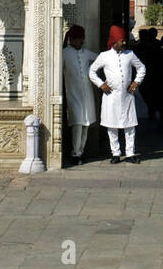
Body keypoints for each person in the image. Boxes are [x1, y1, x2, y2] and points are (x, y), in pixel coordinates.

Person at [89, 25, 146, 163]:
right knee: (112, 125)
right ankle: (115, 153)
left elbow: (141, 68)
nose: (124, 43)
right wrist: (101, 84)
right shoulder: (104, 56)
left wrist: (136, 82)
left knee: (130, 125)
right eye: (122, 41)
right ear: (114, 42)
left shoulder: (129, 54)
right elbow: (92, 71)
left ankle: (130, 153)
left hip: (127, 96)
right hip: (111, 96)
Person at [62, 25, 97, 165]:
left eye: (82, 38)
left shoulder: (86, 53)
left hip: (87, 94)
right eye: (77, 39)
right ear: (71, 39)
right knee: (77, 123)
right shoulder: (64, 53)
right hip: (72, 94)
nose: (80, 41)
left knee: (86, 124)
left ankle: (81, 152)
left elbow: (101, 59)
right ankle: (75, 153)